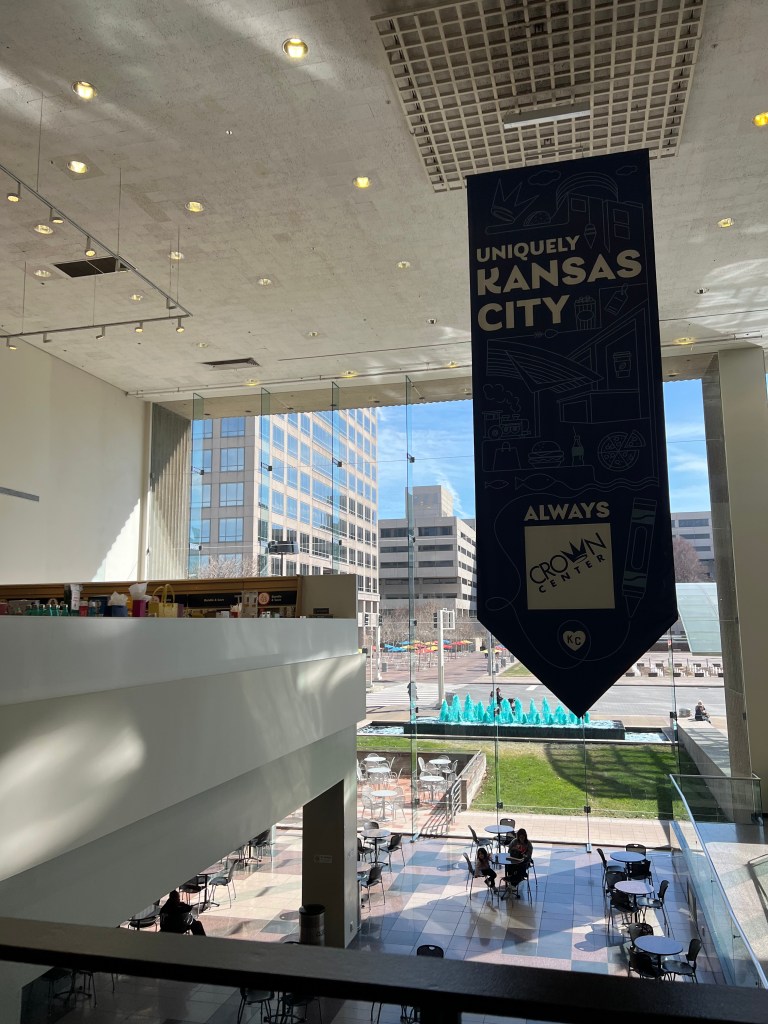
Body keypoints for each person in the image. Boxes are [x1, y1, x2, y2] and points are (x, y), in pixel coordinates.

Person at [504, 828, 533, 894]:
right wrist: (514, 850)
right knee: (509, 866)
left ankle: (513, 884)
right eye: (520, 837)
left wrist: (524, 856)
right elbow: (509, 851)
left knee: (521, 868)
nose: (521, 838)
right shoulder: (514, 841)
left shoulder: (528, 844)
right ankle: (511, 880)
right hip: (514, 859)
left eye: (523, 837)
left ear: (525, 836)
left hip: (523, 861)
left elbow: (529, 855)